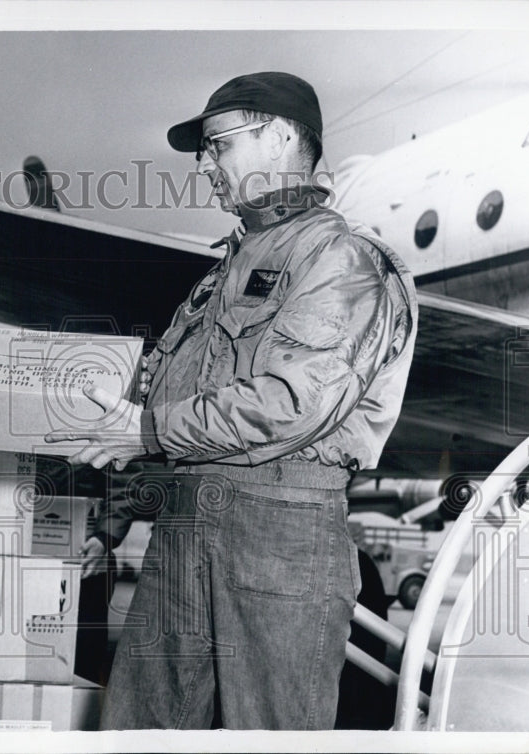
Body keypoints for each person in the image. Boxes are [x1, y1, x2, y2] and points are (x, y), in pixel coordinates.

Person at [47, 72, 418, 729]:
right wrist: (112, 524)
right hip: (185, 526)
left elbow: (293, 402)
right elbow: (170, 420)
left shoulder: (344, 262)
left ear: (279, 138)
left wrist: (151, 433)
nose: (207, 166)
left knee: (270, 733)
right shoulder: (221, 275)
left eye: (218, 144)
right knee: (138, 728)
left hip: (282, 534)